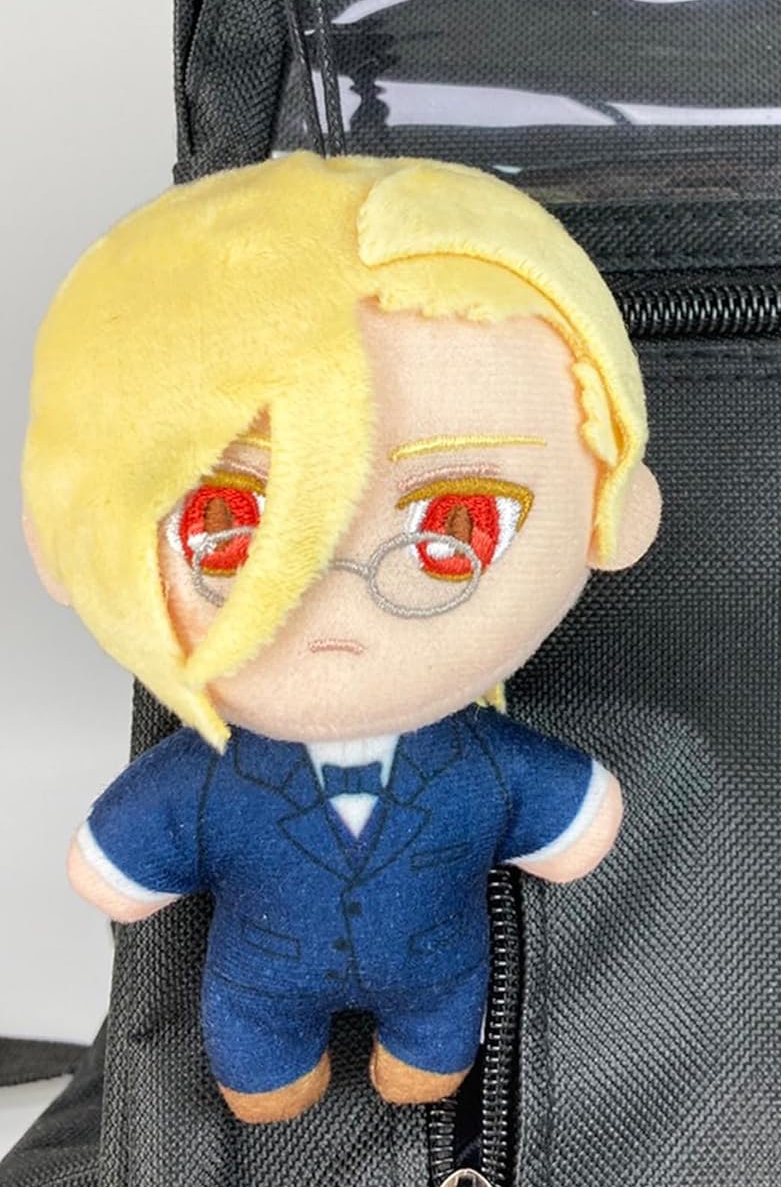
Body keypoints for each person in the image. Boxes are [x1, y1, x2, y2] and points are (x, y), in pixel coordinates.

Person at [21, 152, 660, 1123]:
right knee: (257, 1054)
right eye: (228, 526)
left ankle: (420, 1061)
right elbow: (121, 863)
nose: (329, 602)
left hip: (438, 978)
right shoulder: (212, 781)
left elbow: (568, 818)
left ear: (614, 515)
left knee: (435, 1039)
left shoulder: (477, 765)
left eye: (453, 526)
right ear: (62, 540)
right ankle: (267, 1077)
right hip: (258, 984)